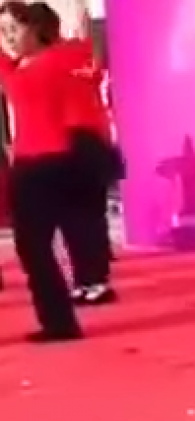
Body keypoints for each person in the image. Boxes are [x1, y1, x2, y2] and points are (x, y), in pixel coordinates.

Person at [27, 1, 120, 306]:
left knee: (82, 216)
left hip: (78, 140)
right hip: (84, 139)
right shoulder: (75, 52)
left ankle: (93, 280)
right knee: (83, 215)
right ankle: (89, 279)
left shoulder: (50, 61)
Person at [0, 0, 83, 342]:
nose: (9, 37)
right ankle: (57, 320)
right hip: (27, 164)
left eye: (14, 29)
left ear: (34, 28)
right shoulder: (18, 67)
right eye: (4, 32)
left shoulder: (54, 61)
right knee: (31, 247)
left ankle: (61, 321)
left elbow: (80, 49)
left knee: (37, 245)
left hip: (52, 161)